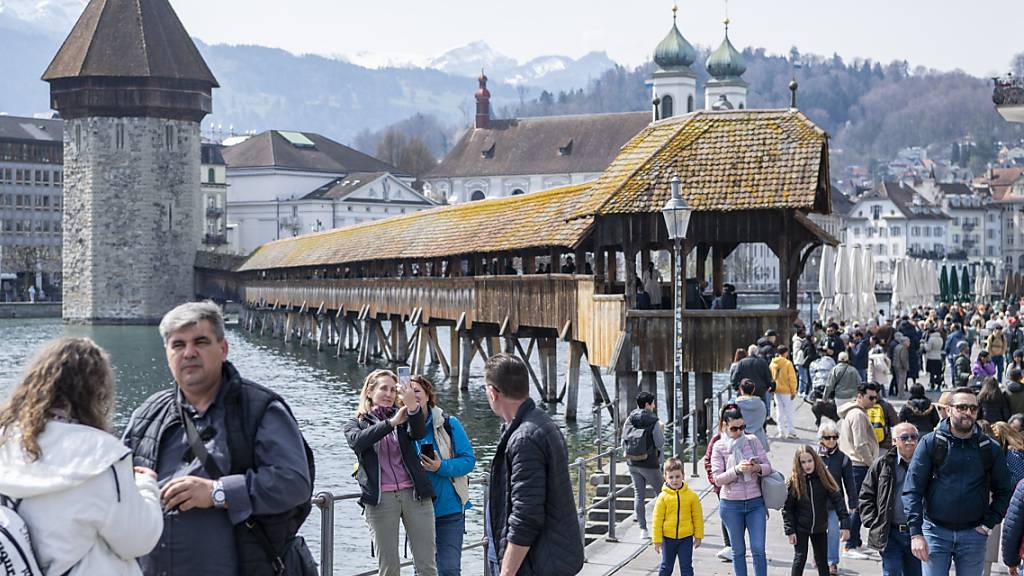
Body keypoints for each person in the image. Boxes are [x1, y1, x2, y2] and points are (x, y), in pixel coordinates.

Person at [124, 301, 314, 576]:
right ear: (167, 353)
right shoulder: (148, 414)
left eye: (200, 341)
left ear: (223, 349)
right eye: (178, 345)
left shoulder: (259, 410)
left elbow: (294, 484)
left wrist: (217, 492)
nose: (189, 352)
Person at [0, 338, 163, 575]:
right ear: (97, 392)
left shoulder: (7, 443)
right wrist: (147, 486)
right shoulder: (99, 457)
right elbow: (139, 539)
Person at [484, 354, 583, 576]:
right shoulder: (542, 422)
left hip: (535, 564)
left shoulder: (524, 439)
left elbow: (526, 515)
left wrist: (506, 571)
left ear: (493, 393)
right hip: (552, 556)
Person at [904, 387, 1013, 576]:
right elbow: (912, 489)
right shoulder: (931, 443)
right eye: (962, 407)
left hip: (974, 535)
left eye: (973, 408)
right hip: (935, 532)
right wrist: (915, 533)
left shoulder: (989, 448)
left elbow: (1004, 490)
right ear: (949, 409)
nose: (968, 412)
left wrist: (989, 523)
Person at [410, 375, 477, 576]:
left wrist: (441, 466)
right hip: (416, 511)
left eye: (417, 391)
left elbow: (468, 460)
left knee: (449, 569)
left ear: (428, 395)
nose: (413, 396)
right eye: (407, 392)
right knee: (423, 571)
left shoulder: (449, 423)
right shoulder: (400, 427)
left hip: (449, 510)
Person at [711, 404, 772, 576]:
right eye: (735, 428)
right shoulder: (719, 447)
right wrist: (736, 470)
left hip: (755, 503)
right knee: (738, 551)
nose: (739, 431)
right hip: (731, 505)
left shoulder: (752, 441)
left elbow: (768, 467)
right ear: (724, 426)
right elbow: (717, 479)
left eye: (742, 427)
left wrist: (756, 468)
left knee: (758, 549)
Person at [858, 422, 923, 576]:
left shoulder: (926, 463)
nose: (910, 441)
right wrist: (874, 521)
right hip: (890, 533)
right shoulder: (882, 464)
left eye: (914, 437)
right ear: (894, 441)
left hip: (919, 533)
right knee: (891, 572)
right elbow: (866, 494)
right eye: (904, 437)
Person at [783, 445, 850, 576]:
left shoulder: (823, 476)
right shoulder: (794, 481)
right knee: (800, 558)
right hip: (801, 527)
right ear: (798, 463)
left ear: (815, 460)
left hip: (819, 527)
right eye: (803, 462)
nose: (807, 465)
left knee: (822, 561)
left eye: (810, 461)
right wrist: (790, 530)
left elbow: (838, 500)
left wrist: (845, 523)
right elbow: (787, 509)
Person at [838, 383, 880, 559]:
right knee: (860, 506)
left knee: (861, 505)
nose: (873, 401)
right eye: (870, 397)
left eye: (875, 397)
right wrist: (873, 466)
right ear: (859, 396)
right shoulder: (857, 415)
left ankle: (856, 541)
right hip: (859, 465)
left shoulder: (856, 413)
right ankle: (849, 544)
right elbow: (860, 444)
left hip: (856, 464)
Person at [622, 391, 665, 540]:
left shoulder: (630, 418)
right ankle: (662, 525)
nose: (653, 406)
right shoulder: (653, 421)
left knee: (639, 495)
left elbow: (623, 440)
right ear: (647, 404)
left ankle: (643, 529)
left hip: (632, 462)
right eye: (652, 403)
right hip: (649, 463)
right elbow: (660, 443)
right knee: (663, 493)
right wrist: (661, 430)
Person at [818, 420, 857, 576]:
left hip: (835, 502)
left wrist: (853, 502)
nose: (832, 441)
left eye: (834, 437)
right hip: (816, 502)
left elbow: (849, 482)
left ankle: (832, 562)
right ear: (821, 438)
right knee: (817, 532)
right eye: (828, 438)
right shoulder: (813, 455)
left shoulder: (843, 458)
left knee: (834, 532)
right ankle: (819, 557)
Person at [652, 457, 703, 576]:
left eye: (677, 476)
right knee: (666, 567)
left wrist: (698, 535)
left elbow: (697, 517)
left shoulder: (692, 496)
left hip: (686, 538)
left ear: (683, 475)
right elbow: (657, 520)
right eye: (671, 477)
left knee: (686, 567)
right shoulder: (662, 497)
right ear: (665, 477)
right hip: (667, 538)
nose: (674, 480)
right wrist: (657, 540)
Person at [704, 406, 735, 563]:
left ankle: (734, 545)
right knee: (726, 514)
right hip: (722, 485)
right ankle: (729, 545)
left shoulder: (747, 437)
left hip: (742, 486)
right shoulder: (717, 439)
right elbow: (708, 460)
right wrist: (714, 482)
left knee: (735, 516)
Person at [770, 346, 798, 439]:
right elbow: (792, 378)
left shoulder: (772, 363)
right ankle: (791, 432)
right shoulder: (788, 363)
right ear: (785, 353)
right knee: (789, 412)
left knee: (779, 411)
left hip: (777, 390)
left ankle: (781, 431)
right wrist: (793, 391)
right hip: (787, 391)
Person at [736, 378, 770, 453]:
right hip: (759, 438)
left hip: (740, 438)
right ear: (753, 389)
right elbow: (763, 419)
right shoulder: (761, 404)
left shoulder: (735, 405)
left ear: (741, 389)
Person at [893, 334, 910, 398]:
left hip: (896, 365)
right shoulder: (903, 348)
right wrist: (906, 366)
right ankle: (901, 394)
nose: (909, 343)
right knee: (902, 381)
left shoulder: (897, 346)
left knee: (898, 380)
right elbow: (903, 358)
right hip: (901, 366)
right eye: (908, 341)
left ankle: (900, 393)